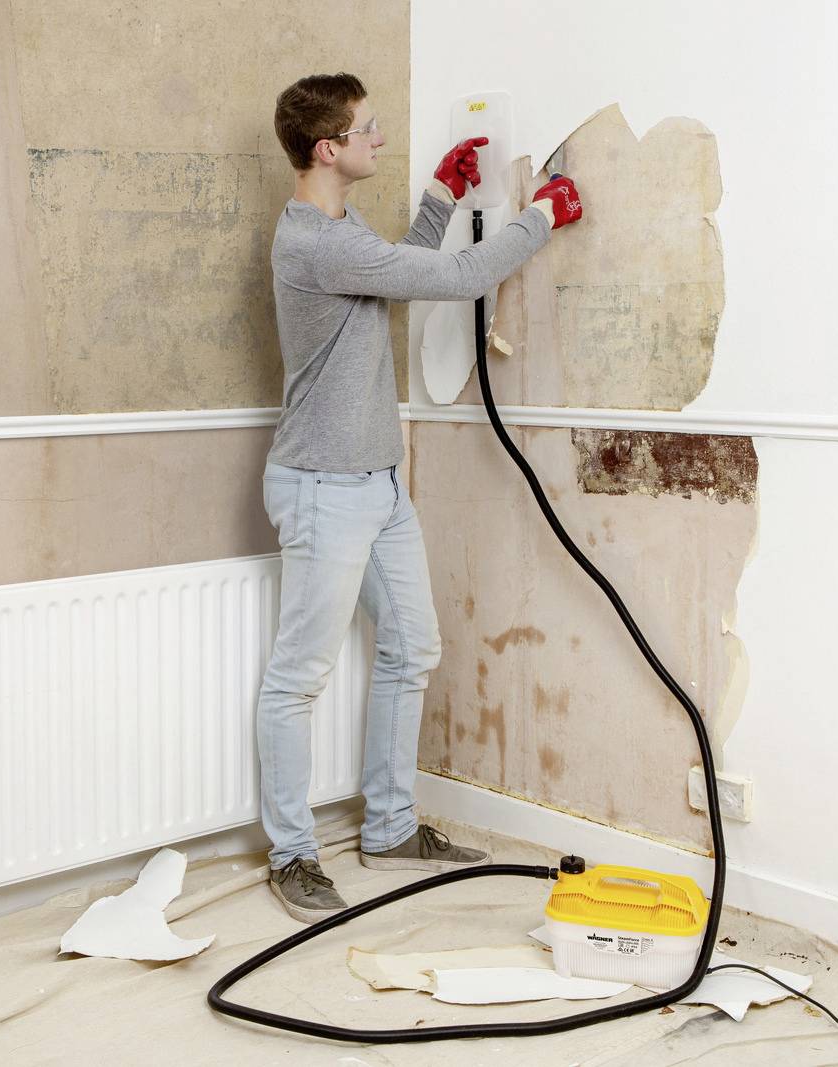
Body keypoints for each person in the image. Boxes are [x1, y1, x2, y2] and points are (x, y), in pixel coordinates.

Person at [257, 72, 583, 922]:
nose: (378, 140)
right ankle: (292, 854)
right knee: (298, 678)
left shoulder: (339, 226)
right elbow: (459, 274)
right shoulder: (312, 244)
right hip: (325, 486)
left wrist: (440, 192)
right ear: (327, 149)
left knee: (413, 647)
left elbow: (395, 270)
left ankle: (392, 827)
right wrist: (542, 214)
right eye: (366, 131)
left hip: (378, 480)